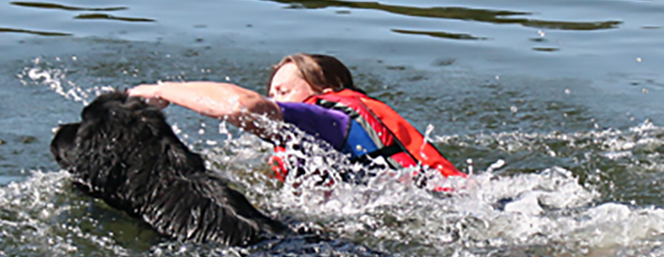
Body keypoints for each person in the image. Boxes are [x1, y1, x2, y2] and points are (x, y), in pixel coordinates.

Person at [128, 53, 464, 183]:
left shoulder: (331, 117)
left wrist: (163, 90)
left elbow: (240, 105)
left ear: (327, 87)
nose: (275, 102)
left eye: (284, 92)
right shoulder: (351, 124)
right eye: (272, 93)